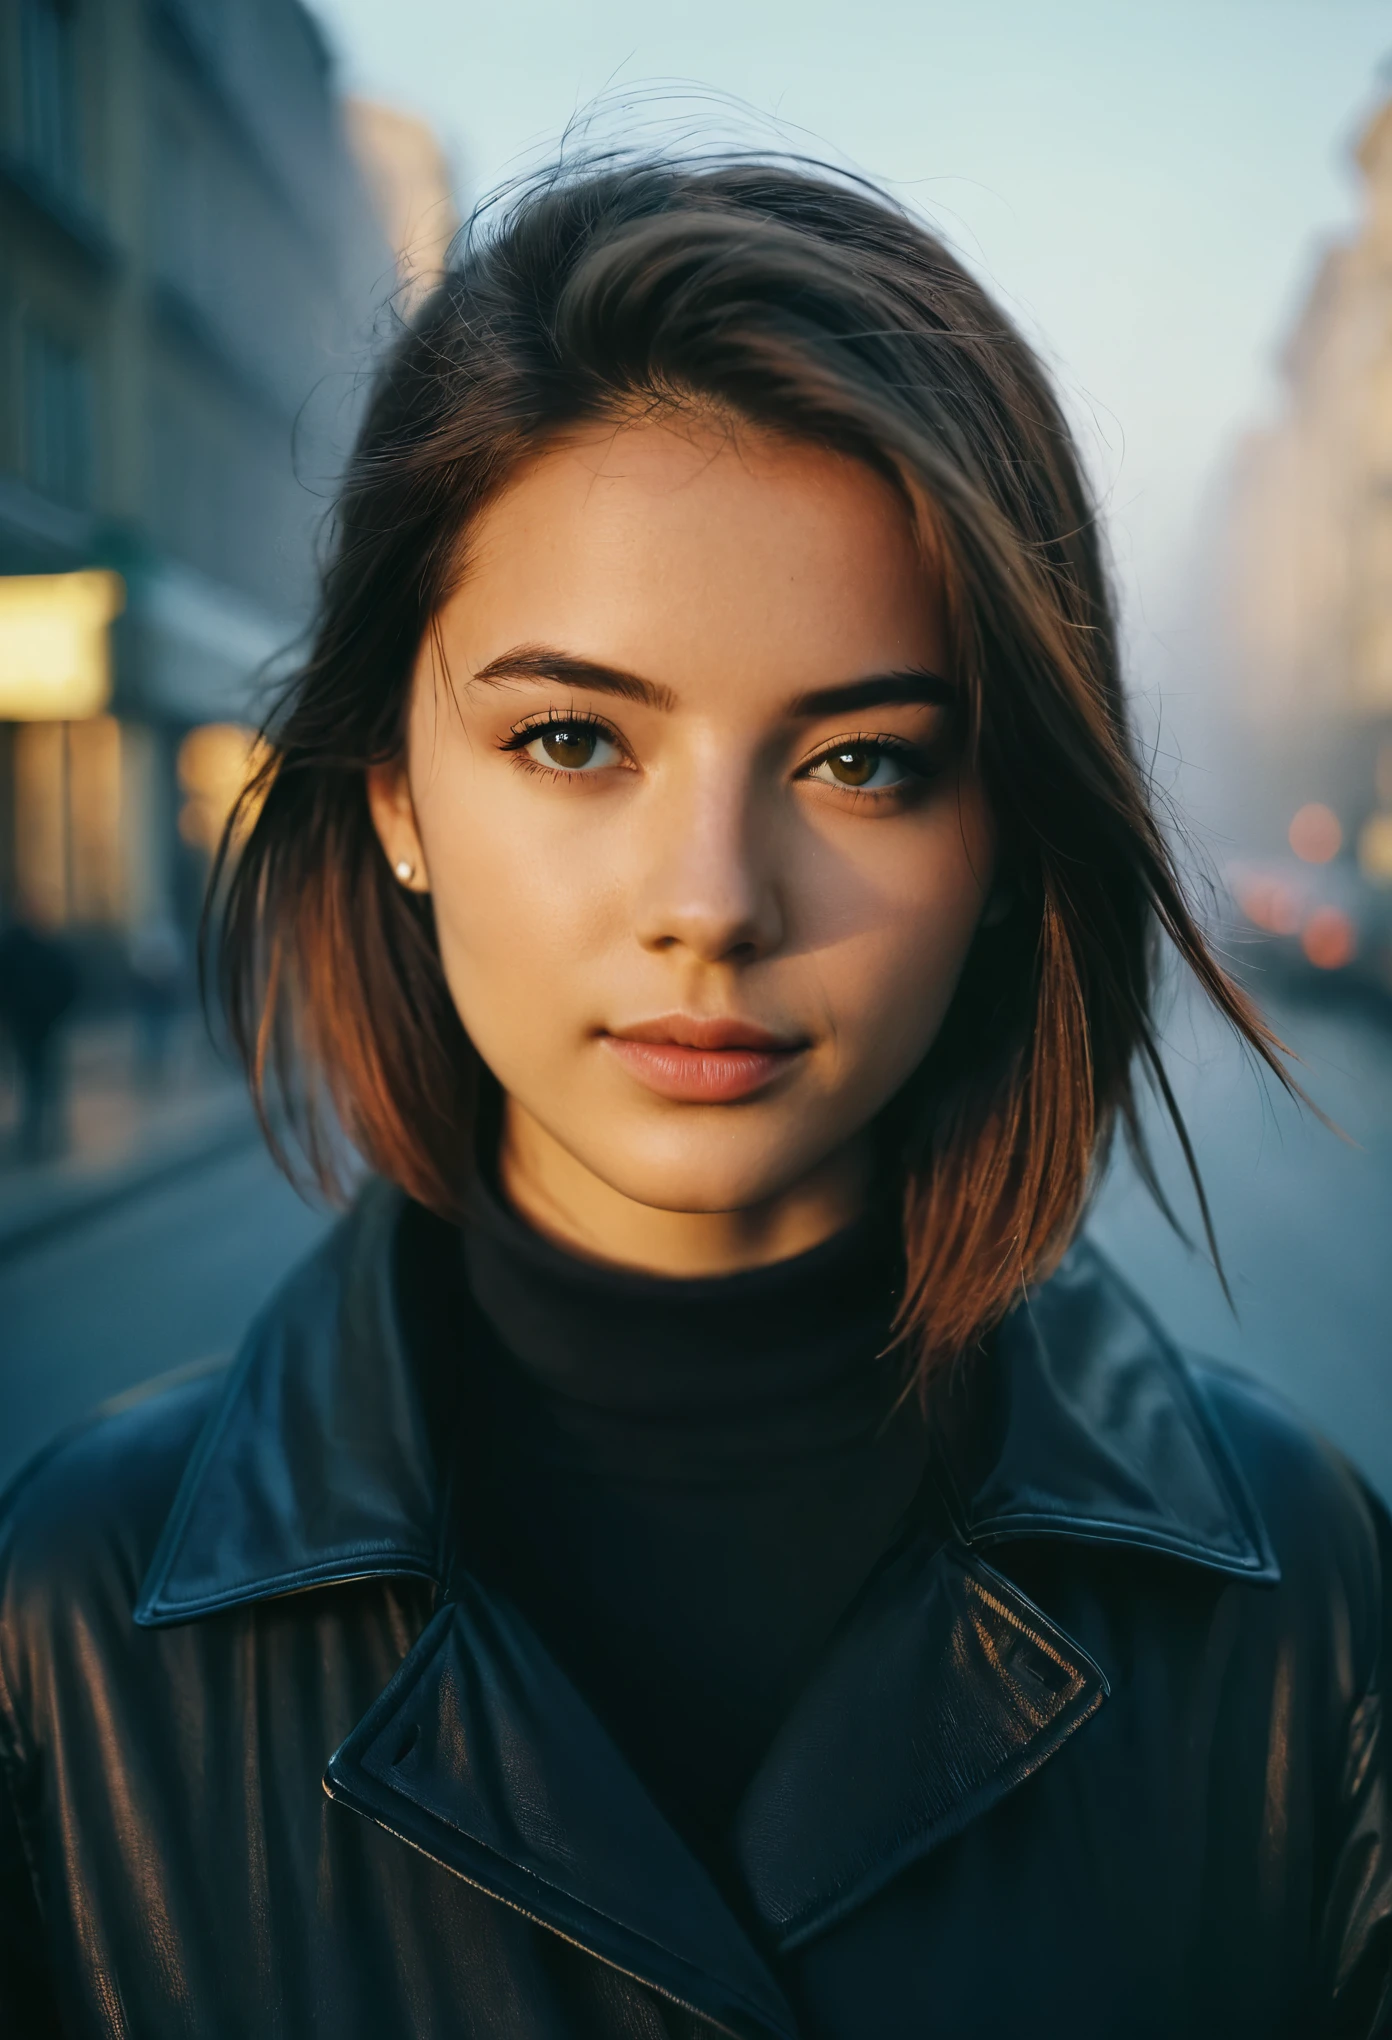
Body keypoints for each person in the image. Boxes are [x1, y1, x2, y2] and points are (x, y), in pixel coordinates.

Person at [0, 157, 1387, 2038]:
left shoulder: (1300, 1596)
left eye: (859, 762)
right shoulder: (69, 1623)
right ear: (395, 789)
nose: (712, 904)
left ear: (1000, 838)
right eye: (573, 739)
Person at [0, 913, 79, 1161]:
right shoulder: (47, 951)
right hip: (44, 1023)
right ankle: (48, 1124)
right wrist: (57, 1012)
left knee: (31, 1075)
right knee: (43, 1075)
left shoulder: (11, 953)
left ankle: (35, 1127)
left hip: (25, 1024)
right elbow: (70, 981)